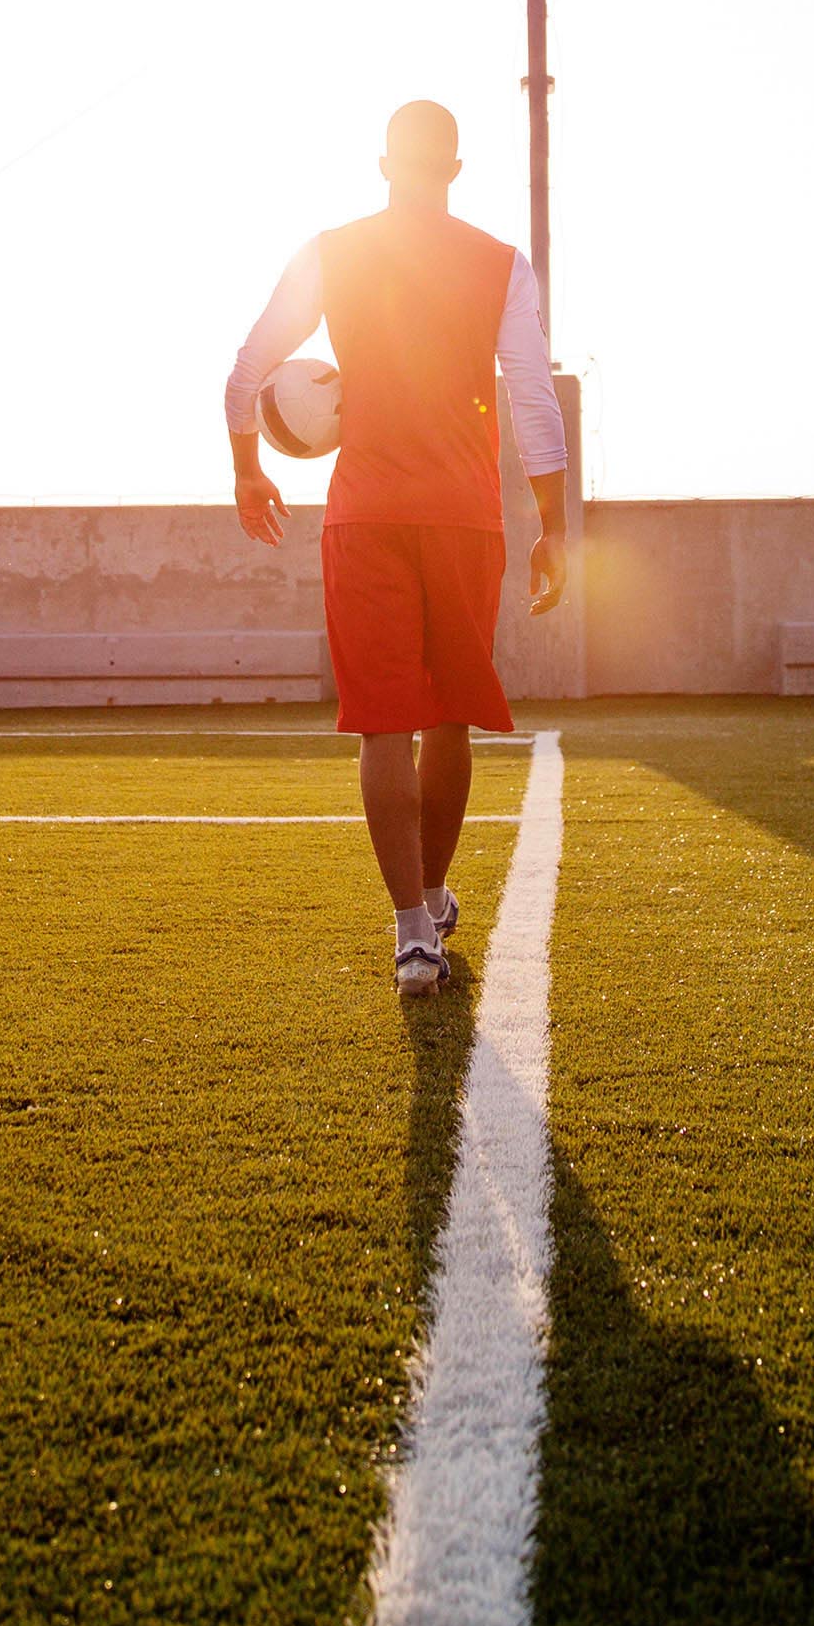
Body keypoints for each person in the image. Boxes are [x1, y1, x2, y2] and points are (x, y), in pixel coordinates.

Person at [225, 100, 569, 998]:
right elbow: (532, 398)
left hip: (364, 516)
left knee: (383, 721)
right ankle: (430, 894)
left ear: (384, 163)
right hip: (463, 518)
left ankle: (414, 934)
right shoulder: (501, 264)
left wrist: (247, 471)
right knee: (450, 714)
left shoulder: (332, 250)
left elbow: (246, 370)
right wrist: (554, 525)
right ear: (455, 168)